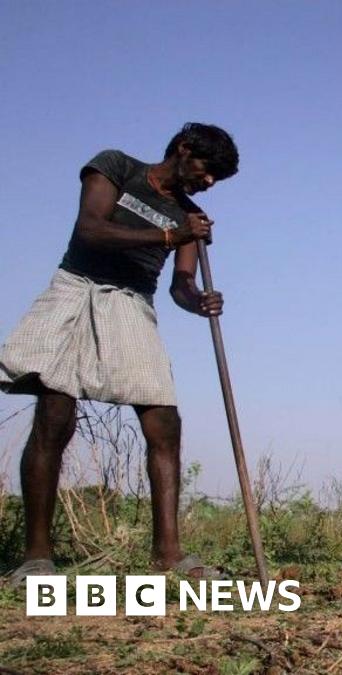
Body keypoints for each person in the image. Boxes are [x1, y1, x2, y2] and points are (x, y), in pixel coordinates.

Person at [1, 123, 240, 584]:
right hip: (77, 290)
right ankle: (36, 558)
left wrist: (199, 302)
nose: (208, 183)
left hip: (132, 302)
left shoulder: (190, 219)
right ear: (183, 149)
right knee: (55, 415)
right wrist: (169, 236)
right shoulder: (115, 167)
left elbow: (181, 286)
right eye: (207, 170)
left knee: (163, 421)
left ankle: (168, 554)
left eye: (216, 180)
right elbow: (90, 230)